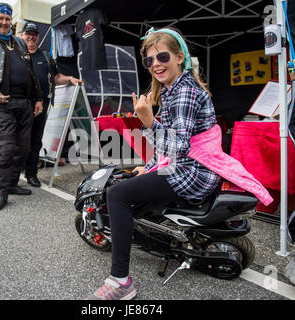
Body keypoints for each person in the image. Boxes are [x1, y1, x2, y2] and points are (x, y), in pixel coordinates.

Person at [88, 28, 221, 300]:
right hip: (187, 166)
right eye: (149, 60)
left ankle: (121, 281)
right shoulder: (175, 89)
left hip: (190, 172)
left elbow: (177, 146)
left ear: (180, 56)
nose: (155, 64)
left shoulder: (184, 92)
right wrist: (148, 166)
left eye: (162, 56)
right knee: (133, 178)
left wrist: (147, 120)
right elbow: (171, 143)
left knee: (118, 194)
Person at [0, 3, 44, 211]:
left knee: (23, 148)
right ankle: (1, 192)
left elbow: (32, 73)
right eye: (0, 18)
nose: (4, 22)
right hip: (3, 102)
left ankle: (13, 184)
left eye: (7, 19)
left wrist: (38, 98)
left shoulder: (20, 43)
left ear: (11, 21)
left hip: (25, 103)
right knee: (6, 150)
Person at [21, 22, 83, 188]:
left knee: (36, 141)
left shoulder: (45, 56)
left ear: (38, 36)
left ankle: (31, 174)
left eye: (34, 34)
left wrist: (69, 79)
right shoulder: (17, 55)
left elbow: (56, 77)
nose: (31, 37)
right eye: (28, 33)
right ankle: (13, 175)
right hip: (22, 105)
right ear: (22, 35)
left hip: (43, 105)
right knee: (20, 140)